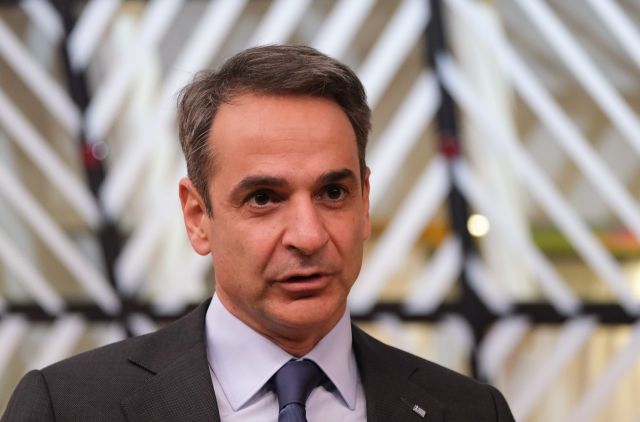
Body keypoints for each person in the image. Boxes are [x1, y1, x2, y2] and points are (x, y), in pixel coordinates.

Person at [2, 45, 514, 422]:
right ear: (197, 217)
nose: (308, 236)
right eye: (264, 198)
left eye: (333, 192)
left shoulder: (471, 411)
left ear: (364, 202)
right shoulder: (68, 407)